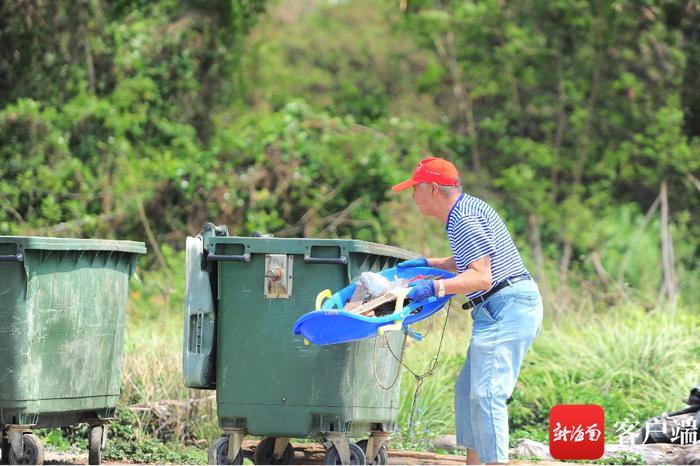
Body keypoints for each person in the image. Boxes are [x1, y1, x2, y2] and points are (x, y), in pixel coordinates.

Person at [392, 157, 543, 465]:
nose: (412, 197)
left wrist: (434, 288)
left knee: (487, 395)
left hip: (507, 307)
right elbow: (468, 260)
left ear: (433, 189)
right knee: (467, 392)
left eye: (415, 189)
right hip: (499, 307)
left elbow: (482, 276)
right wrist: (428, 264)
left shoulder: (462, 218)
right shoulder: (467, 209)